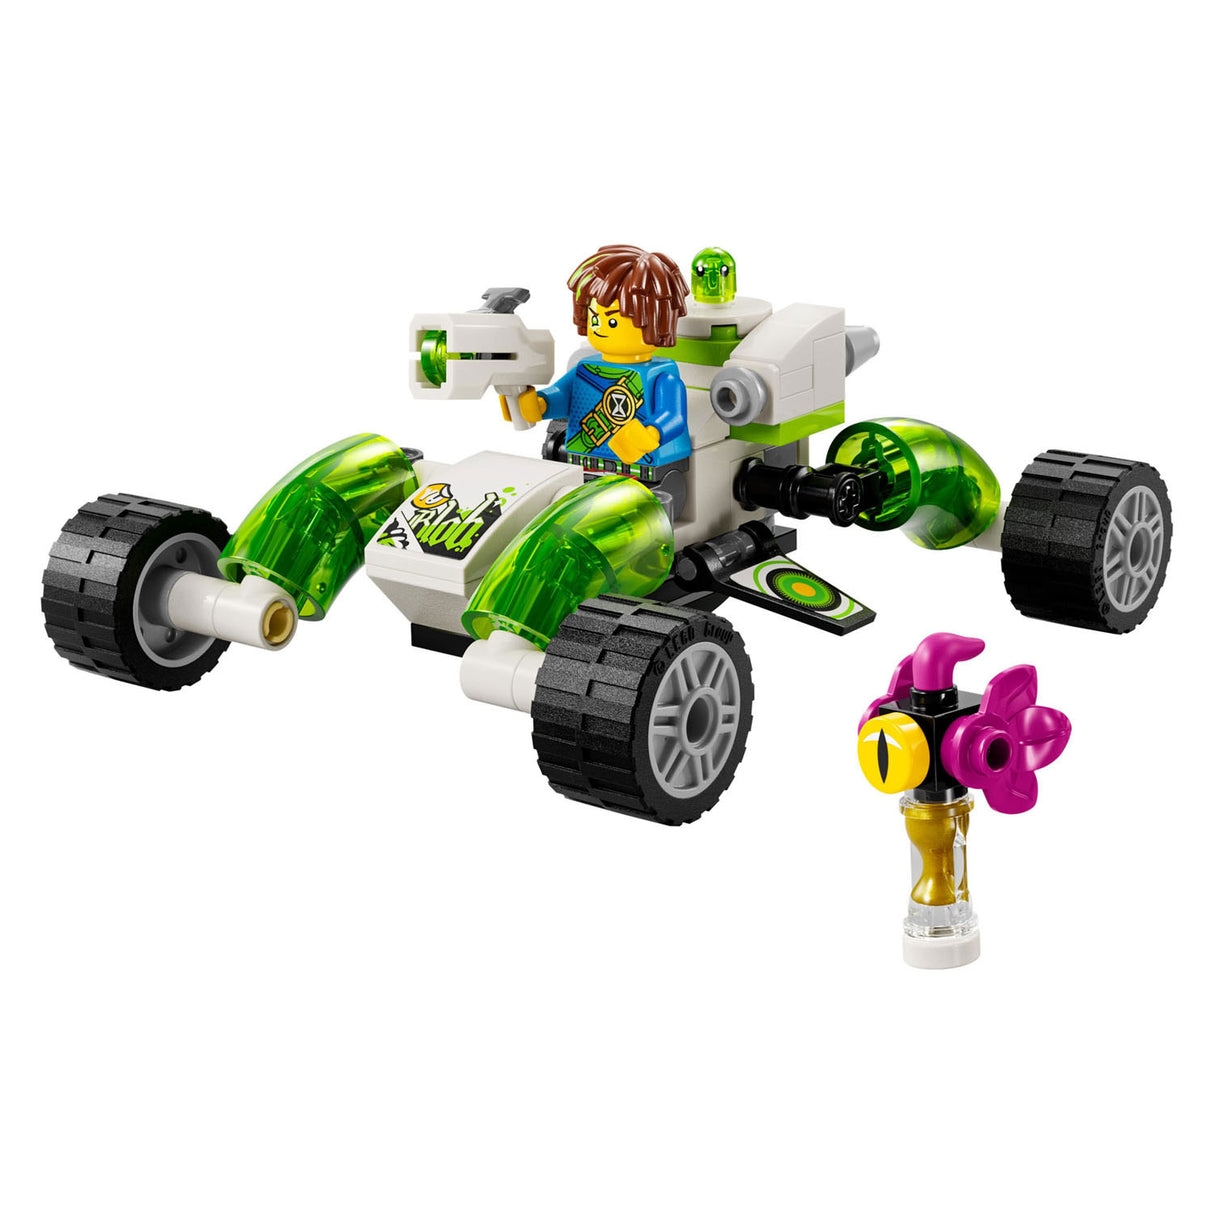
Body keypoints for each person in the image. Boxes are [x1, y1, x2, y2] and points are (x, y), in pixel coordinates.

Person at [509, 246, 691, 492]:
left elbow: (673, 416)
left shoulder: (661, 376)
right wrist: (540, 404)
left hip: (646, 472)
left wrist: (651, 433)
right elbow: (564, 396)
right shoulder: (588, 368)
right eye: (595, 318)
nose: (601, 327)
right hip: (583, 465)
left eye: (613, 321)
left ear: (655, 320)